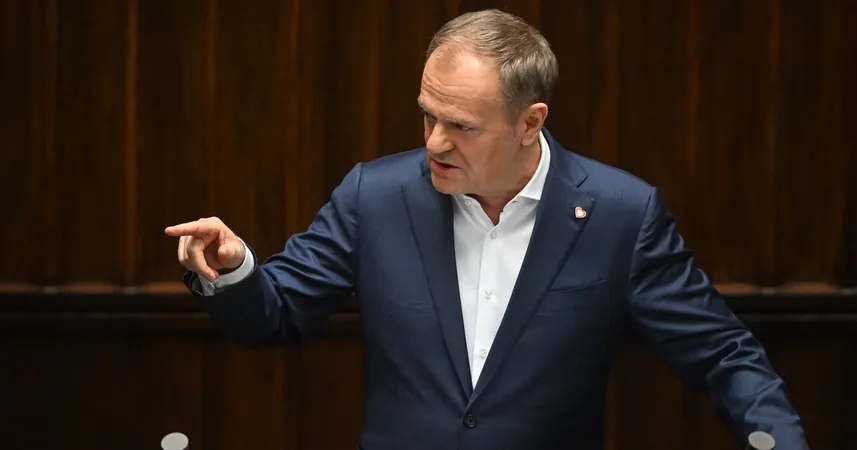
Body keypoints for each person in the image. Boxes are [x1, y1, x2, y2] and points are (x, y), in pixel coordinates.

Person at [165, 9, 807, 450]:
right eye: (428, 116)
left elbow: (722, 355)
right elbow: (275, 316)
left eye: (462, 127)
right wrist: (235, 267)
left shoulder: (621, 214)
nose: (434, 143)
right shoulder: (375, 196)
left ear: (530, 122)